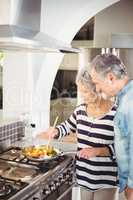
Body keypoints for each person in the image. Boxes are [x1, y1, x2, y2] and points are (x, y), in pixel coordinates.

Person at [38, 69, 118, 200]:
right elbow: (67, 126)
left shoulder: (116, 113)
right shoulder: (80, 110)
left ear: (98, 88)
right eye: (80, 90)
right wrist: (56, 131)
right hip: (83, 176)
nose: (82, 95)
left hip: (105, 179)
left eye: (85, 91)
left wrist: (98, 151)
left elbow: (125, 147)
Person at [90, 53, 133, 200]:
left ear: (110, 77)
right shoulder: (124, 98)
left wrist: (131, 185)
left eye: (96, 83)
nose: (96, 89)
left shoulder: (130, 103)